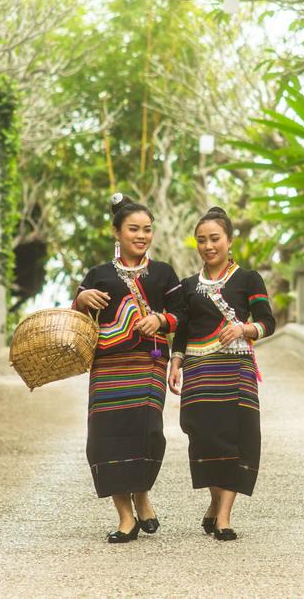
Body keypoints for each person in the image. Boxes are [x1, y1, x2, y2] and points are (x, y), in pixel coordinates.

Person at [73, 193, 185, 543]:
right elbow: (76, 325)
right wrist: (80, 300)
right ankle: (125, 517)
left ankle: (143, 495)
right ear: (116, 233)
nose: (141, 235)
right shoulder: (98, 275)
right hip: (107, 367)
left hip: (147, 363)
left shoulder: (164, 274)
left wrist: (160, 319)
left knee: (146, 431)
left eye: (147, 230)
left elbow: (183, 316)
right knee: (104, 438)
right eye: (133, 229)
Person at [168, 206, 276, 541]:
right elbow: (182, 330)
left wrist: (245, 328)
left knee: (236, 438)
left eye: (215, 238)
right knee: (204, 439)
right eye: (201, 240)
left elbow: (268, 322)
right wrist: (176, 360)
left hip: (236, 369)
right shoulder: (187, 286)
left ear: (229, 240)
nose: (208, 246)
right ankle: (215, 502)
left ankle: (225, 517)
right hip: (200, 372)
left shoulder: (248, 279)